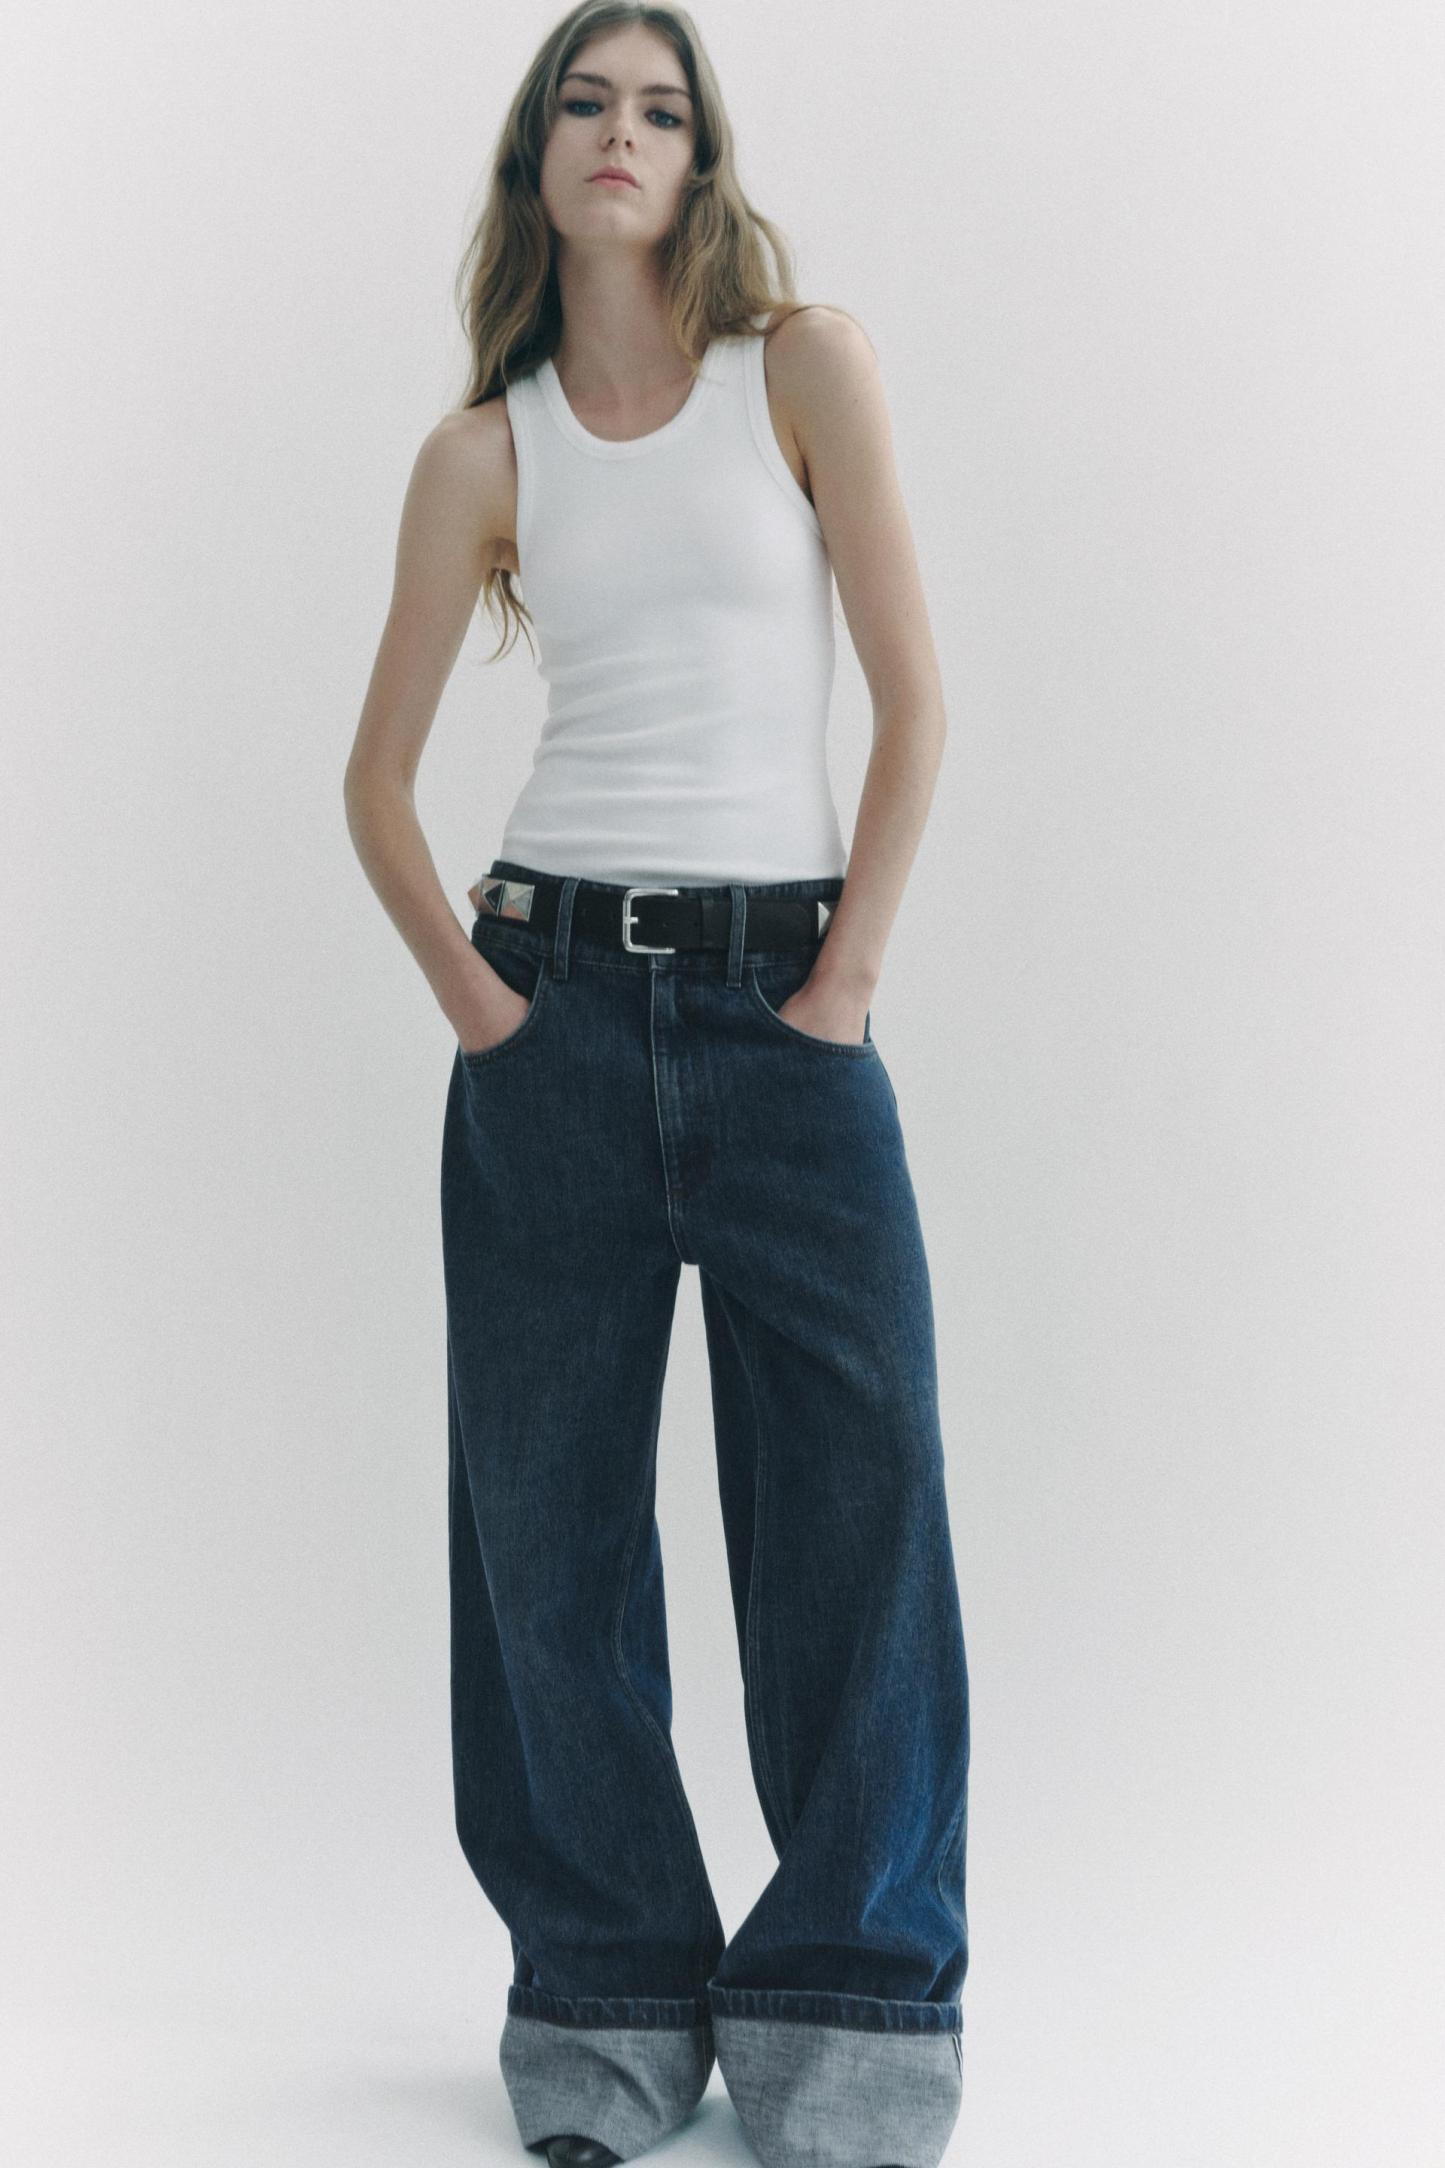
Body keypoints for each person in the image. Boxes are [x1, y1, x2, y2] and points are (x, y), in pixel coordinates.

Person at [342, 6, 970, 2165]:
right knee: (547, 1536)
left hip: (789, 1009)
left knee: (858, 1507)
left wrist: (840, 987)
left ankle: (850, 2013)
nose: (624, 134)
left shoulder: (800, 370)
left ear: (702, 163)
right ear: (538, 159)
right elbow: (374, 784)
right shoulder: (483, 455)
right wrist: (485, 1015)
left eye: (664, 109)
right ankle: (604, 2000)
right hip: (551, 1015)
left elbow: (915, 705)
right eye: (587, 104)